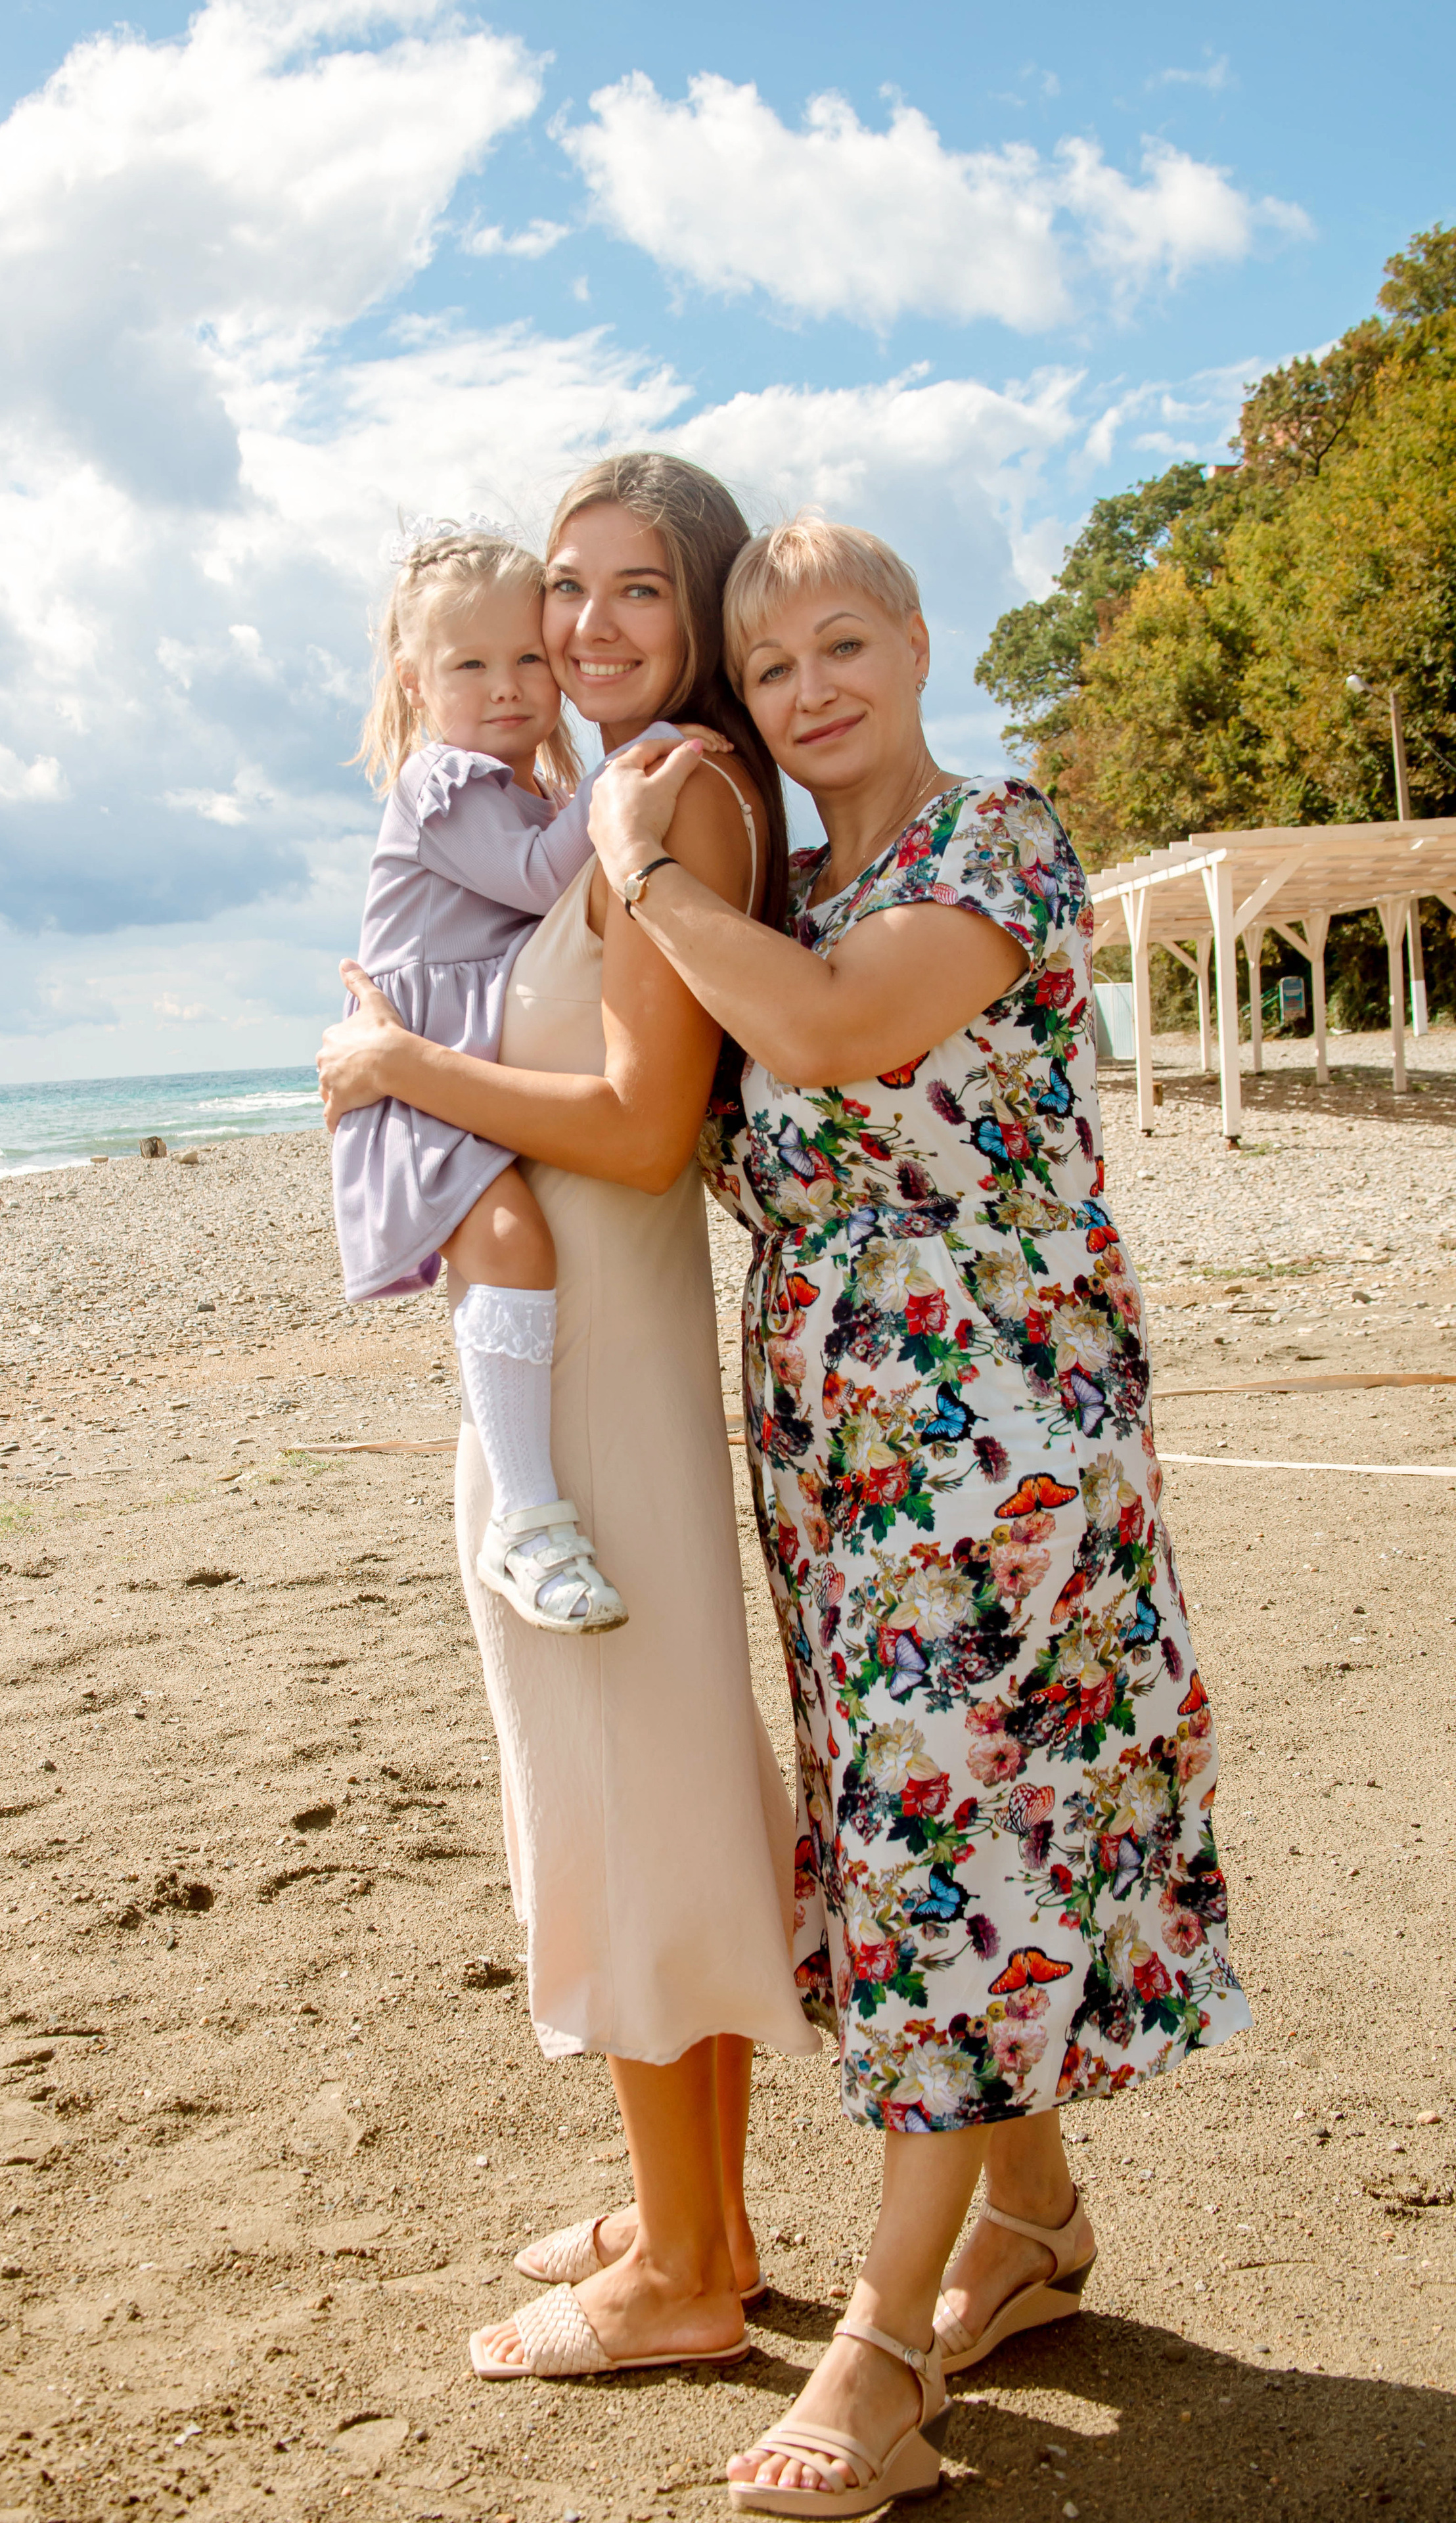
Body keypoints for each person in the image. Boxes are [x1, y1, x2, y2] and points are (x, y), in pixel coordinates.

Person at [583, 512, 1253, 2516]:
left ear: (918, 643)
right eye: (773, 667)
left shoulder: (997, 841)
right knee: (916, 1829)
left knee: (959, 1821)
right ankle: (1026, 2223)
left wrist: (639, 866)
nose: (811, 693)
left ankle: (878, 2360)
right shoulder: (800, 890)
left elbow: (827, 1034)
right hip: (835, 1441)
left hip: (1005, 1436)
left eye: (843, 646)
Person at [317, 453, 819, 2384]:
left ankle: (684, 2271)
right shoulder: (605, 795)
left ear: (701, 606)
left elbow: (639, 1127)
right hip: (598, 1348)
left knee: (621, 1800)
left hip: (597, 1373)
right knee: (653, 1783)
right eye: (565, 592)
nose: (583, 629)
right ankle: (701, 2219)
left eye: (635, 592)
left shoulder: (659, 798)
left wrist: (393, 1059)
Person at [332, 524, 626, 1633]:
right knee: (509, 1242)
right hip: (425, 1071)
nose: (507, 686)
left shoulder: (523, 786)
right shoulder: (443, 782)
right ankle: (527, 1517)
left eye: (530, 659)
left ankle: (529, 1508)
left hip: (462, 1063)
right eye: (471, 663)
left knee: (526, 1244)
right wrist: (634, 764)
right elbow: (543, 877)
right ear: (415, 680)